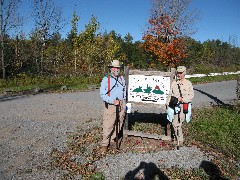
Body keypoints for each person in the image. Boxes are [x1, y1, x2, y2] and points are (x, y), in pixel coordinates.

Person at [99, 60, 126, 149]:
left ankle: (113, 139)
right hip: (111, 105)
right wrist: (112, 101)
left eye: (118, 67)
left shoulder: (122, 78)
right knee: (108, 124)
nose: (116, 69)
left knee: (119, 122)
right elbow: (102, 94)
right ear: (111, 68)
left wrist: (124, 101)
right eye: (114, 67)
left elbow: (124, 90)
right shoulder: (106, 79)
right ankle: (105, 145)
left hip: (121, 104)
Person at [167, 66, 194, 146]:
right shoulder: (174, 83)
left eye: (181, 73)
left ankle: (180, 140)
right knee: (174, 123)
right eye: (178, 73)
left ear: (184, 73)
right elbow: (170, 94)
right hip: (175, 106)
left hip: (183, 106)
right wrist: (167, 103)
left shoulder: (188, 83)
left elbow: (191, 96)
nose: (179, 74)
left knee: (179, 123)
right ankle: (176, 138)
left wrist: (182, 99)